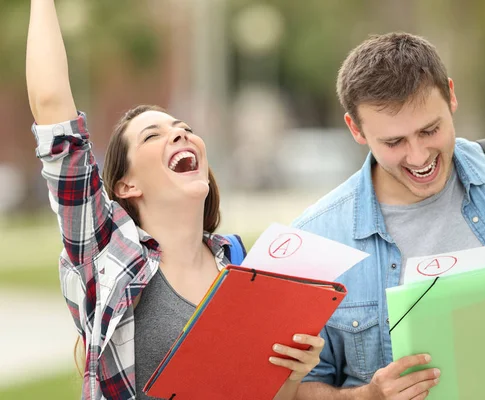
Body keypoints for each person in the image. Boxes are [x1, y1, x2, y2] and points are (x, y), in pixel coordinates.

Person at [26, 1, 324, 399]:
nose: (180, 134)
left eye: (184, 128)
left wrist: (291, 375)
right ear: (126, 185)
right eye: (153, 136)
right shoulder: (105, 251)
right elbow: (52, 112)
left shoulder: (236, 262)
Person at [291, 32, 485, 400]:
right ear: (356, 129)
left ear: (451, 95)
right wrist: (368, 396)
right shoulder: (317, 240)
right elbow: (295, 390)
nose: (419, 156)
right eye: (394, 142)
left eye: (430, 130)